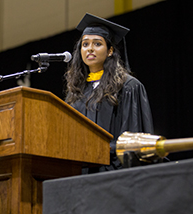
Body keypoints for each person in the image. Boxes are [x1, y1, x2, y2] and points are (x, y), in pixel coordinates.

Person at [65, 13, 154, 171]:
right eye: (85, 45)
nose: (90, 49)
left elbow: (132, 139)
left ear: (110, 50)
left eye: (97, 44)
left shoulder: (128, 87)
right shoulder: (76, 93)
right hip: (80, 174)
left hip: (114, 174)